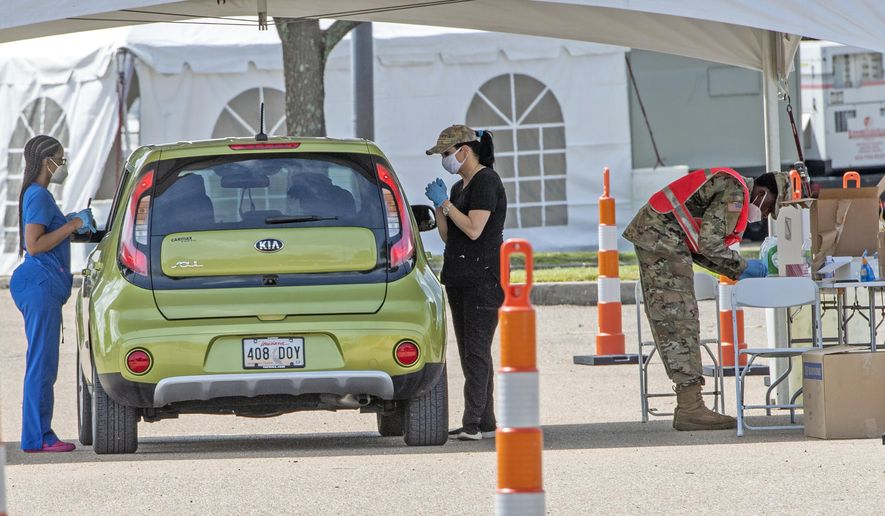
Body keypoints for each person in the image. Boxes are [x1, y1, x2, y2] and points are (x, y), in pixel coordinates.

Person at [624, 167, 790, 431]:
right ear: (761, 192)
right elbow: (710, 245)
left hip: (662, 236)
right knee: (678, 317)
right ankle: (691, 408)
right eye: (770, 207)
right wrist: (743, 266)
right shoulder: (736, 192)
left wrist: (736, 269)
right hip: (661, 238)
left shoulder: (734, 187)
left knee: (678, 315)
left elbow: (701, 245)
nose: (767, 214)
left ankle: (690, 405)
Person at [10, 135, 95, 453]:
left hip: (40, 286)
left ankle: (39, 433)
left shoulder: (37, 194)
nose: (63, 165)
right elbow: (34, 244)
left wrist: (72, 226)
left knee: (44, 362)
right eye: (61, 159)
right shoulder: (38, 195)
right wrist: (72, 224)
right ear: (47, 162)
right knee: (41, 365)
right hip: (38, 285)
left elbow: (46, 236)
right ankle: (37, 437)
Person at [424, 125, 507, 441]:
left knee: (476, 352)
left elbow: (474, 229)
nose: (445, 159)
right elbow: (449, 236)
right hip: (459, 278)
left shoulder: (487, 181)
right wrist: (440, 206)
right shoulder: (460, 187)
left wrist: (446, 204)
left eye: (447, 153)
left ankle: (472, 423)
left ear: (464, 150)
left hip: (483, 279)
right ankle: (484, 421)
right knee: (471, 352)